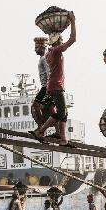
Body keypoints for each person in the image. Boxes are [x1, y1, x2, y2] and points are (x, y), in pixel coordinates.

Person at [31, 11, 76, 147]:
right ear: (57, 41)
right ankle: (41, 131)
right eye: (60, 40)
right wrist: (73, 21)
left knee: (64, 113)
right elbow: (73, 39)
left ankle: (63, 139)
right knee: (61, 112)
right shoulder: (55, 51)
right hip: (56, 86)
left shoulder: (50, 52)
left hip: (54, 86)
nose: (62, 41)